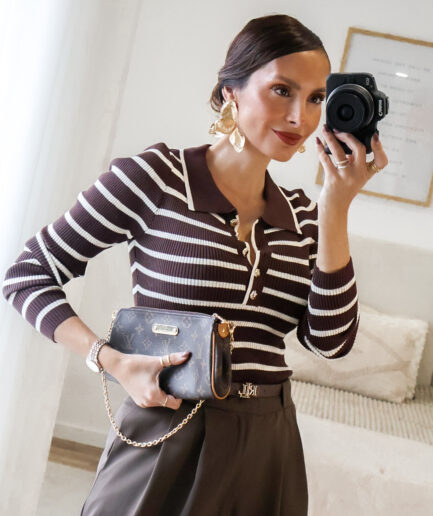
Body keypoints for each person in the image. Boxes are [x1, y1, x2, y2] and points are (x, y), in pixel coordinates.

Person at [2, 13, 388, 516]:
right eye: (282, 91)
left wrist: (335, 205)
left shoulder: (304, 216)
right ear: (231, 91)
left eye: (316, 98)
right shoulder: (156, 178)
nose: (300, 116)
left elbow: (331, 342)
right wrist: (109, 359)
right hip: (168, 427)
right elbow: (27, 274)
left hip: (268, 443)